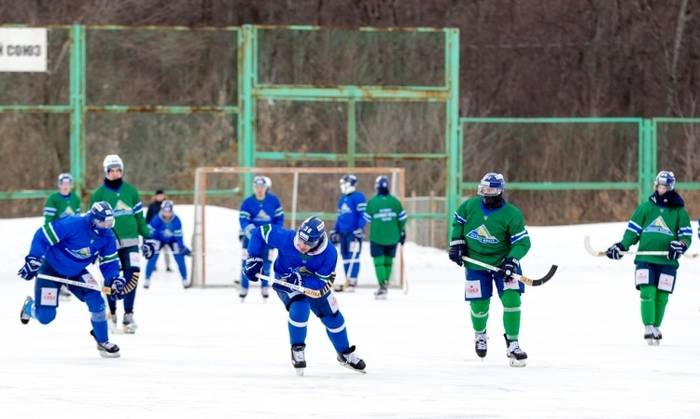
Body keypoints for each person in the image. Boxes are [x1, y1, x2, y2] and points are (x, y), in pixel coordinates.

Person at [243, 216, 366, 375]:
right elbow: (259, 233)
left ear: (319, 241)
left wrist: (300, 280)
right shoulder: (286, 238)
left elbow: (321, 283)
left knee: (333, 317)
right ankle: (297, 349)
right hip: (284, 279)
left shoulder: (329, 253)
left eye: (308, 243)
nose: (302, 245)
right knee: (300, 307)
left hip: (313, 284)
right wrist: (254, 259)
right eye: (301, 239)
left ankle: (345, 353)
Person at [18, 201, 126, 358]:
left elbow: (109, 262)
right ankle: (29, 307)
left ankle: (102, 341)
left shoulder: (108, 236)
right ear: (94, 220)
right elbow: (42, 235)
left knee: (97, 301)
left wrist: (114, 279)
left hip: (76, 272)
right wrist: (33, 258)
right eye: (104, 222)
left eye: (110, 222)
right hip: (51, 269)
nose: (107, 226)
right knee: (46, 317)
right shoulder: (73, 224)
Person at [448, 172, 530, 367]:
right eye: (484, 190)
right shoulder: (469, 206)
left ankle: (513, 343)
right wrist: (456, 243)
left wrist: (511, 260)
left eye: (491, 190)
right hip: (475, 263)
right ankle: (480, 334)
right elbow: (457, 221)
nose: (487, 194)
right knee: (479, 305)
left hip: (503, 264)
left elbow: (523, 242)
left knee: (512, 299)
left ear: (500, 191)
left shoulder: (512, 214)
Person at [605, 170, 692, 345]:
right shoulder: (645, 208)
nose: (660, 190)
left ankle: (657, 327)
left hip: (667, 261)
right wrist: (622, 246)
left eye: (664, 187)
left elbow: (686, 236)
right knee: (647, 291)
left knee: (662, 296)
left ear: (670, 188)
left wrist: (680, 245)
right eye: (658, 186)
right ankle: (648, 326)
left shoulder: (679, 212)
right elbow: (632, 232)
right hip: (645, 259)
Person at [90, 154, 155, 334]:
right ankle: (112, 313)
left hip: (131, 242)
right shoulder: (99, 194)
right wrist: (94, 246)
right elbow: (91, 222)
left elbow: (139, 218)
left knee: (132, 275)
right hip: (109, 244)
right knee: (111, 278)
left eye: (118, 170)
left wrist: (148, 237)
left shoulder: (131, 191)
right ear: (106, 172)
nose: (115, 173)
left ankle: (128, 314)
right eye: (111, 170)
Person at [238, 176, 284, 301]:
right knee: (246, 262)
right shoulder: (247, 202)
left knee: (267, 264)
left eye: (262, 187)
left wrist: (274, 232)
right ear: (254, 188)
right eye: (257, 187)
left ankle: (264, 287)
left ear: (266, 188)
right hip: (250, 239)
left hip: (267, 239)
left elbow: (279, 219)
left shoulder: (273, 201)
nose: (259, 190)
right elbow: (243, 219)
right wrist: (248, 229)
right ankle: (244, 287)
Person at [363, 176, 406, 299]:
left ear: (377, 187)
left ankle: (382, 285)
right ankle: (385, 283)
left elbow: (366, 219)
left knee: (379, 262)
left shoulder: (372, 202)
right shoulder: (395, 201)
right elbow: (402, 219)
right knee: (388, 261)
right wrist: (402, 232)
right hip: (393, 237)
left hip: (377, 237)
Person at [44, 173, 82, 299]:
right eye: (63, 184)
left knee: (70, 259)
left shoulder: (75, 198)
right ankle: (56, 286)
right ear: (59, 185)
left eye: (68, 184)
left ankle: (66, 284)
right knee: (56, 260)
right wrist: (50, 236)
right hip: (57, 235)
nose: (65, 186)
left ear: (71, 185)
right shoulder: (53, 198)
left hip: (70, 236)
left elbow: (77, 219)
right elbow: (48, 220)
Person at [330, 174, 367, 292]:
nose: (341, 186)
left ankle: (353, 280)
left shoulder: (359, 197)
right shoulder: (342, 199)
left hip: (353, 233)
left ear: (349, 183)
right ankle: (348, 279)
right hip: (343, 233)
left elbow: (363, 215)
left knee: (354, 256)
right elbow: (340, 217)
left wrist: (360, 228)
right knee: (345, 255)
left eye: (343, 183)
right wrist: (335, 230)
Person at [144, 200, 191, 289]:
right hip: (158, 239)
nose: (167, 214)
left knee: (180, 257)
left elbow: (179, 235)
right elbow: (150, 234)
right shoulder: (156, 219)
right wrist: (149, 244)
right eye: (165, 211)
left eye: (169, 211)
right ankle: (147, 279)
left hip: (172, 240)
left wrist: (181, 247)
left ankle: (185, 279)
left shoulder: (176, 220)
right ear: (162, 210)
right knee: (153, 256)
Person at [146, 189, 172, 272]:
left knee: (166, 250)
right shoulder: (152, 206)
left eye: (161, 195)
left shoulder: (167, 205)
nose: (160, 197)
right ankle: (153, 265)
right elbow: (148, 218)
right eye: (158, 195)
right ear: (156, 196)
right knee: (154, 249)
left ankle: (168, 266)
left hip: (165, 232)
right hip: (155, 232)